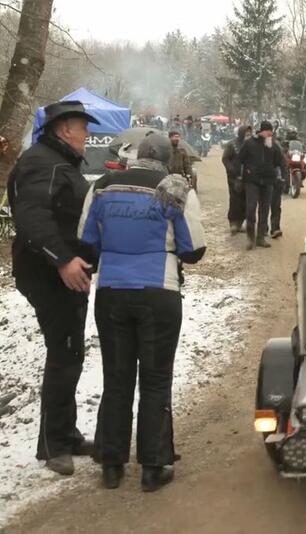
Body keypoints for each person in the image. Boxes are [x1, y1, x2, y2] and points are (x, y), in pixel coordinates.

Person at [78, 133, 205, 491]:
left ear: (134, 156)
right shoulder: (174, 189)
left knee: (116, 377)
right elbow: (193, 249)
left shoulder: (102, 185)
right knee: (155, 379)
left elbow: (87, 240)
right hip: (158, 291)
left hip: (112, 292)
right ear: (167, 159)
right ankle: (153, 466)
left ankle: (111, 464)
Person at [7, 101, 99, 475]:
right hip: (48, 274)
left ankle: (65, 432)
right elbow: (31, 218)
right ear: (64, 129)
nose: (88, 136)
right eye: (83, 129)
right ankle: (53, 445)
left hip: (63, 273)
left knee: (71, 351)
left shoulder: (56, 161)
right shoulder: (41, 162)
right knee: (63, 353)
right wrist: (63, 260)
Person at [238, 121, 286, 249]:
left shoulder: (273, 145)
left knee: (264, 211)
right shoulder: (249, 144)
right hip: (252, 181)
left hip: (268, 182)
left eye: (271, 132)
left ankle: (260, 238)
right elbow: (240, 159)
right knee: (251, 209)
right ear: (261, 131)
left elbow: (280, 162)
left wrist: (282, 177)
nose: (270, 133)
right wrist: (242, 174)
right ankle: (250, 238)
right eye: (268, 131)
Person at [221, 125, 250, 234]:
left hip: (248, 178)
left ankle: (242, 222)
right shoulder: (232, 144)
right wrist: (232, 170)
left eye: (249, 133)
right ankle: (233, 223)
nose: (248, 135)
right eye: (246, 133)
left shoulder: (251, 144)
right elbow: (225, 159)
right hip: (234, 178)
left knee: (246, 200)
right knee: (235, 200)